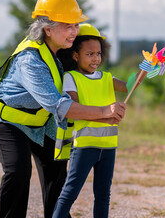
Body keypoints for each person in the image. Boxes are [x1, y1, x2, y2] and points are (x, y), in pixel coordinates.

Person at [0, 0, 126, 218]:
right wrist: (103, 112)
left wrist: (131, 81)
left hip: (41, 120)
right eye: (67, 26)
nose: (74, 32)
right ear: (47, 29)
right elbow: (60, 106)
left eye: (76, 25)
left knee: (57, 171)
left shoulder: (64, 49)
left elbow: (91, 77)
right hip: (8, 121)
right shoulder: (30, 61)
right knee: (18, 172)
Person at [52, 23, 144, 218]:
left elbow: (129, 86)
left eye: (99, 54)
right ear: (75, 55)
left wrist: (147, 68)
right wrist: (108, 116)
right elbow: (75, 111)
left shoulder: (106, 77)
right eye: (90, 54)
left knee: (103, 195)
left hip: (108, 146)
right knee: (69, 194)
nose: (96, 58)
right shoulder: (71, 78)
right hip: (85, 146)